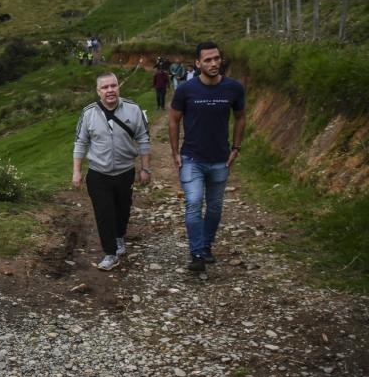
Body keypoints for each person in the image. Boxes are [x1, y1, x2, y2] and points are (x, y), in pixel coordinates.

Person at [168, 41, 246, 272]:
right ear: (198, 63)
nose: (213, 63)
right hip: (192, 158)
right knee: (193, 203)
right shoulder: (186, 90)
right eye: (208, 60)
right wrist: (174, 152)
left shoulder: (234, 88)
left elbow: (241, 117)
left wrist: (236, 148)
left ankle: (207, 245)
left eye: (217, 59)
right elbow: (173, 119)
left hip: (220, 159)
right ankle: (197, 253)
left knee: (214, 207)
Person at [72, 73, 151, 270]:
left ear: (118, 88)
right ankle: (110, 253)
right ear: (98, 91)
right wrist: (77, 171)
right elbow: (81, 142)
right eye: (105, 87)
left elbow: (143, 139)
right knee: (104, 212)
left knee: (123, 209)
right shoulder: (88, 113)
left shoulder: (133, 109)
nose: (110, 91)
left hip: (125, 172)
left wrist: (145, 168)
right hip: (98, 173)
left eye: (113, 86)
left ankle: (119, 236)